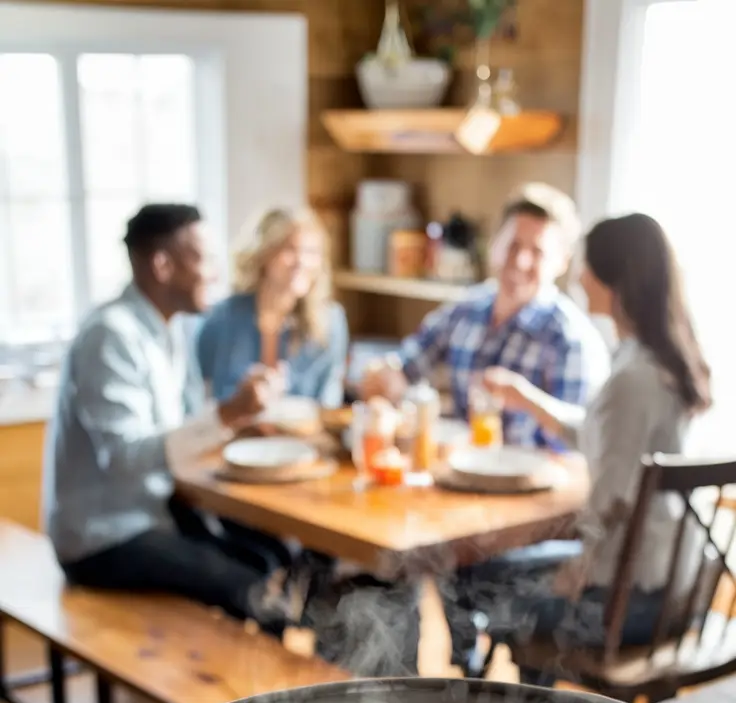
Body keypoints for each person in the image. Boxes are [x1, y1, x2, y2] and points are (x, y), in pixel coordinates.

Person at [447, 212, 712, 671]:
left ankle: (506, 702)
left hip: (628, 606)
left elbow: (608, 504)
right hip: (675, 586)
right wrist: (527, 399)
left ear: (614, 281)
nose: (579, 277)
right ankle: (517, 697)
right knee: (499, 572)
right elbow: (604, 433)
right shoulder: (658, 362)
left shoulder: (631, 379)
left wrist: (572, 577)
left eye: (586, 266)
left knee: (480, 580)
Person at [44, 203, 295, 630]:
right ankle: (252, 690)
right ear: (162, 265)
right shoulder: (111, 335)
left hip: (152, 514)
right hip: (102, 538)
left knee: (273, 555)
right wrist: (228, 413)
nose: (215, 273)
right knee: (252, 587)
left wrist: (240, 417)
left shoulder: (168, 330)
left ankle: (261, 678)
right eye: (204, 259)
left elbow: (181, 427)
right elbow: (125, 457)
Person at [362, 183, 610, 448]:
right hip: (459, 471)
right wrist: (386, 377)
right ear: (495, 244)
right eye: (513, 245)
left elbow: (577, 444)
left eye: (537, 252)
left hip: (530, 480)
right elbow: (408, 364)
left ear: (562, 261)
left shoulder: (572, 338)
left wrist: (527, 399)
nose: (521, 261)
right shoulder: (466, 309)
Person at [197, 207, 349, 409]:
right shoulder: (221, 318)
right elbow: (200, 397)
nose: (301, 262)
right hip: (234, 437)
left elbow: (328, 401)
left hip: (301, 438)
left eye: (311, 252)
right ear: (263, 254)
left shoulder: (330, 321)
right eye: (290, 249)